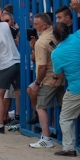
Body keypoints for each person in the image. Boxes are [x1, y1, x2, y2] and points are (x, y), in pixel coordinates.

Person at [50, 21, 80, 156]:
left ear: (55, 37)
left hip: (78, 88)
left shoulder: (57, 53)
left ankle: (69, 148)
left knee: (66, 118)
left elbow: (59, 75)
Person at [27, 13, 64, 148]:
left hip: (48, 79)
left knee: (41, 107)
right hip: (62, 76)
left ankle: (46, 137)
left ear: (45, 25)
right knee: (63, 108)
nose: (34, 26)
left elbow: (42, 66)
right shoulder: (57, 35)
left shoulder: (41, 42)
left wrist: (37, 83)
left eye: (36, 24)